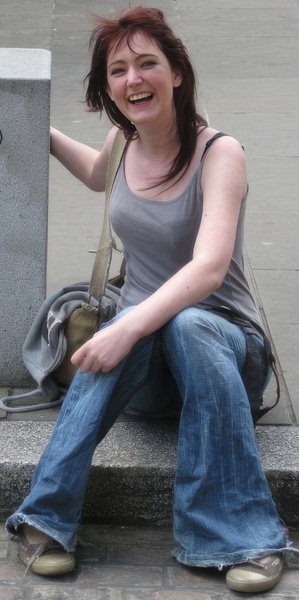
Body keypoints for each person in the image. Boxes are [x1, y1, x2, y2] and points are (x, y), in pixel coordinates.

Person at [6, 6, 291, 593]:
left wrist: (126, 328)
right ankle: (45, 520)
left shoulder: (220, 154)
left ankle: (238, 535)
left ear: (177, 73)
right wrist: (31, 125)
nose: (132, 79)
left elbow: (209, 269)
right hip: (149, 365)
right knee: (143, 320)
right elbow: (95, 172)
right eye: (118, 70)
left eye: (147, 64)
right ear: (108, 86)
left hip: (226, 347)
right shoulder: (125, 139)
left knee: (181, 322)